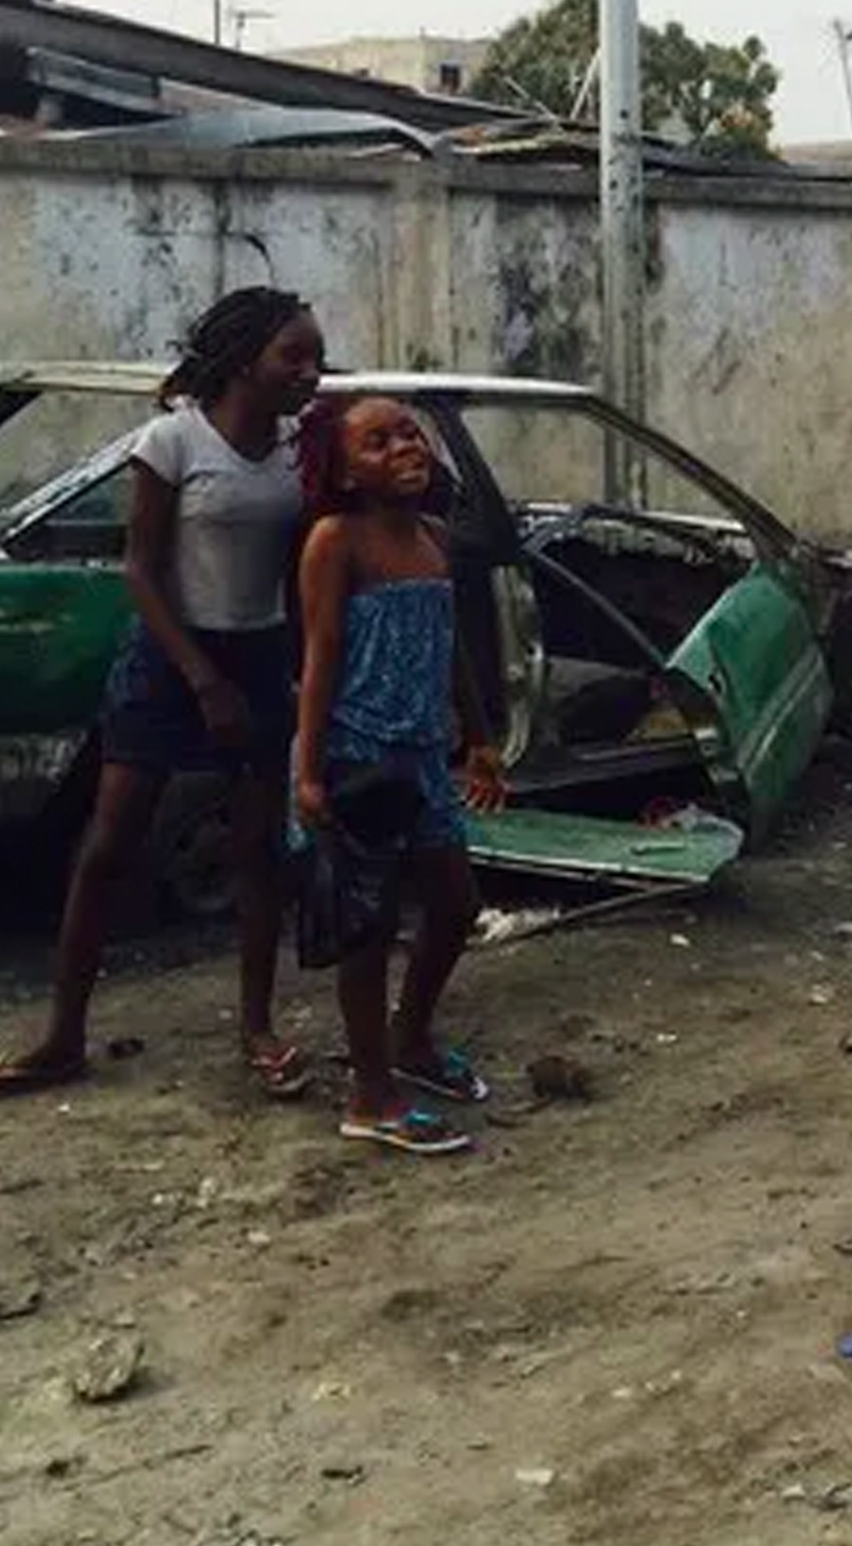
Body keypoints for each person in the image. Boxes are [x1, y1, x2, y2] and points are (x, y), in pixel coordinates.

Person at [0, 289, 325, 1103]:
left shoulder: (301, 450)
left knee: (260, 850)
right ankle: (63, 1033)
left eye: (316, 358)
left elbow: (306, 563)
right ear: (243, 362)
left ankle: (257, 1028)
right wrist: (201, 678)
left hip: (261, 650)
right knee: (109, 846)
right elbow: (141, 568)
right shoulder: (172, 441)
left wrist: (299, 668)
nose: (310, 374)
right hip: (172, 656)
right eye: (292, 357)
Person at [288, 396, 509, 1156]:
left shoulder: (433, 539)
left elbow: (450, 650)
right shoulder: (333, 542)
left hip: (422, 757)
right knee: (368, 929)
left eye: (408, 433)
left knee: (456, 904)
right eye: (377, 442)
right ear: (345, 471)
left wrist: (478, 739)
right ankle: (370, 1094)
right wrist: (307, 770)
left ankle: (410, 1037)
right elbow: (318, 659)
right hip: (358, 755)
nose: (403, 448)